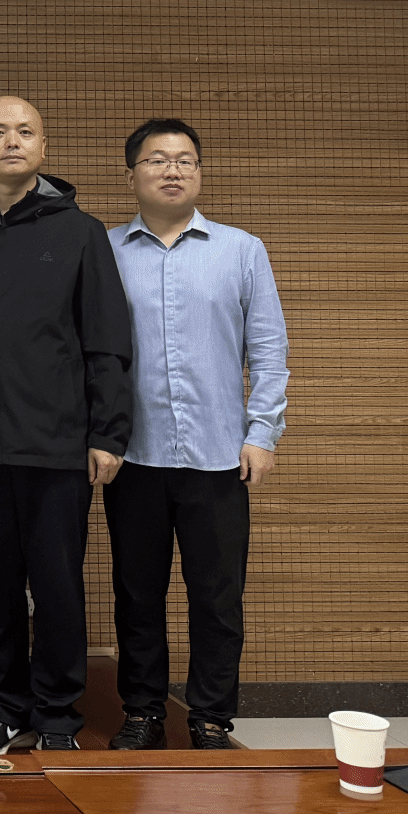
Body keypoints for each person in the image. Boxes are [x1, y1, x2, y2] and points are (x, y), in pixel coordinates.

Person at [0, 96, 133, 754]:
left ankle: (56, 716)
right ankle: (5, 709)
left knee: (56, 587)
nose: (12, 142)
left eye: (25, 131)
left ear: (44, 148)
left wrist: (108, 433)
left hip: (58, 444)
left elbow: (106, 340)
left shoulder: (80, 231)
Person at [105, 119, 288, 752]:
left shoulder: (242, 250)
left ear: (200, 173)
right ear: (132, 175)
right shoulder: (104, 251)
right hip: (134, 455)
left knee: (217, 597)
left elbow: (269, 350)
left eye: (185, 160)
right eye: (157, 159)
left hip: (219, 457)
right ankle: (142, 711)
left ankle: (211, 716)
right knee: (137, 594)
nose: (173, 170)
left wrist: (262, 433)